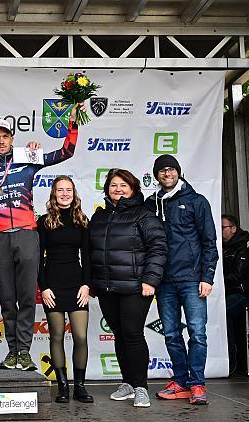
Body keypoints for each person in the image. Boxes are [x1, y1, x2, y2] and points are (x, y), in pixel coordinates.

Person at [0, 108, 79, 371]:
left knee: (26, 296)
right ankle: (12, 351)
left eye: (5, 136)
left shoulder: (27, 159)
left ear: (12, 139)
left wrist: (73, 124)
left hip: (26, 234)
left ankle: (24, 351)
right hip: (0, 239)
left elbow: (65, 152)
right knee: (6, 299)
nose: (1, 141)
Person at [145, 155, 218, 405]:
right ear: (156, 175)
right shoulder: (150, 204)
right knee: (172, 335)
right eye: (162, 171)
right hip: (164, 281)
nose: (167, 174)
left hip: (192, 279)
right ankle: (180, 382)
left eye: (171, 169)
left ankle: (197, 384)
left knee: (197, 334)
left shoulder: (197, 201)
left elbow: (210, 242)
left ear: (178, 172)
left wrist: (207, 276)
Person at [89, 169, 166, 408]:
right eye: (113, 185)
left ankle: (141, 386)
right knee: (119, 335)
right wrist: (93, 282)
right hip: (107, 288)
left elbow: (158, 247)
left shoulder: (143, 215)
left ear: (133, 189)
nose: (118, 189)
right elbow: (92, 252)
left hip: (135, 287)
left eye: (123, 185)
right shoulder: (99, 217)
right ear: (107, 190)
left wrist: (151, 279)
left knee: (132, 334)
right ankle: (128, 383)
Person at [37, 176, 93, 404]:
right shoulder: (44, 221)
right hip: (53, 286)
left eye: (68, 190)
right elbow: (38, 260)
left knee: (80, 336)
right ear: (53, 194)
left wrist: (87, 285)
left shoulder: (82, 220)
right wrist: (44, 288)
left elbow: (88, 258)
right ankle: (62, 387)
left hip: (77, 285)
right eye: (60, 190)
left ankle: (80, 387)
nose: (64, 194)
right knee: (56, 336)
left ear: (74, 192)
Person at [221, 214, 249, 374]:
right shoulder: (222, 248)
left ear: (233, 228)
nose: (220, 231)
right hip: (231, 293)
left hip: (246, 295)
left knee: (221, 312)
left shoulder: (245, 248)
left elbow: (236, 278)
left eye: (223, 227)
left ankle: (230, 358)